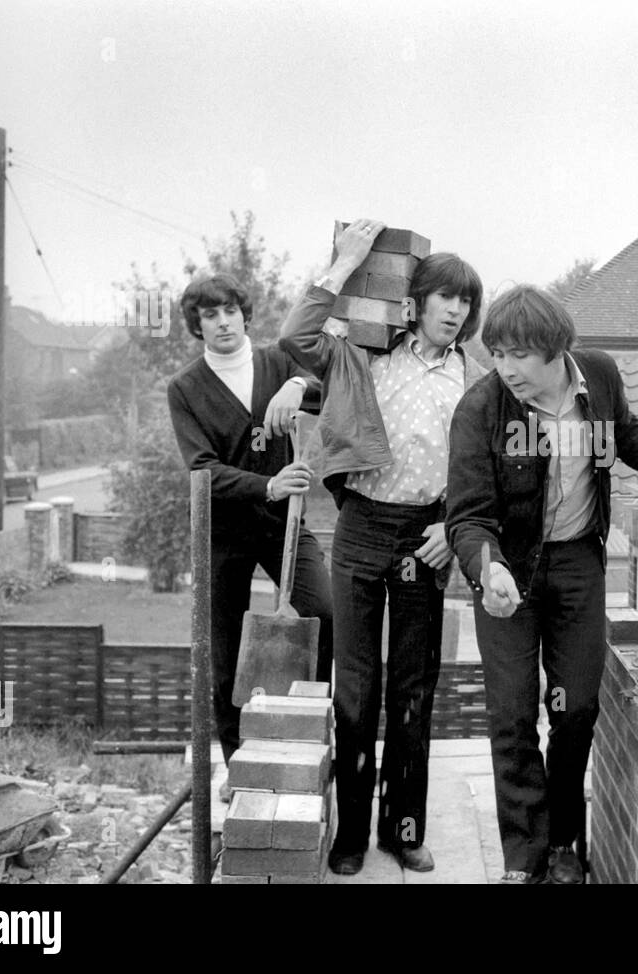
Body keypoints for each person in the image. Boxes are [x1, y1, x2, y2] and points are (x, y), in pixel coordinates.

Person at [445, 284, 638, 884]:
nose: (506, 370)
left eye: (519, 356)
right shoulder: (481, 408)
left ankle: (562, 843)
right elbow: (467, 514)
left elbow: (626, 434)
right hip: (509, 572)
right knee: (511, 715)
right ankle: (523, 859)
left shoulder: (600, 376)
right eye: (498, 355)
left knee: (576, 709)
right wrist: (488, 567)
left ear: (556, 349)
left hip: (578, 565)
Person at [279, 219, 486, 875]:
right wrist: (343, 264)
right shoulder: (365, 358)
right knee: (355, 692)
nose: (456, 311)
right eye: (446, 298)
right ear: (416, 302)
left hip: (427, 538)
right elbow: (295, 337)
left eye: (466, 302)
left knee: (413, 692)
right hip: (362, 530)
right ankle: (349, 838)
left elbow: (487, 474)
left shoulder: (475, 381)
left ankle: (404, 830)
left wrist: (451, 528)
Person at [167, 272, 334, 768]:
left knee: (322, 612)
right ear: (198, 326)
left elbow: (329, 393)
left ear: (244, 315)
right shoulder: (185, 388)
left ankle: (305, 732)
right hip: (222, 532)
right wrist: (267, 484)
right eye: (209, 316)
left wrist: (299, 383)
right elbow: (202, 470)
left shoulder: (277, 362)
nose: (222, 323)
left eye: (230, 312)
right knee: (226, 650)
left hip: (283, 523)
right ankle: (238, 759)